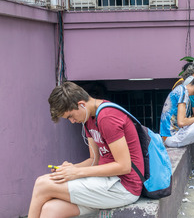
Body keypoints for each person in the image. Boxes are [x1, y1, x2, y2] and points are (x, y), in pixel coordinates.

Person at [28, 82, 143, 217]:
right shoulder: (88, 119)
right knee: (50, 209)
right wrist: (69, 169)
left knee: (42, 184)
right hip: (106, 183)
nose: (72, 121)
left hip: (124, 187)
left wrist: (77, 172)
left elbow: (124, 166)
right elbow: (94, 160)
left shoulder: (107, 117)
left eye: (70, 116)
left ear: (81, 104)